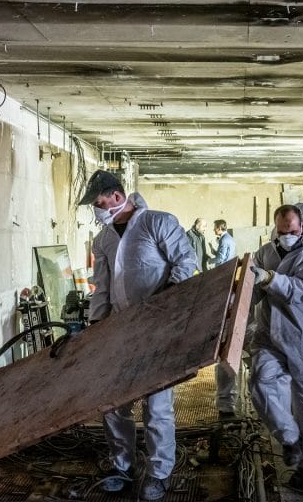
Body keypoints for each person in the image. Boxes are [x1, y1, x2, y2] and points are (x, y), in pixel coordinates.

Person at [80, 170, 197, 501]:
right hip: (121, 330)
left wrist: (170, 298)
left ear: (116, 197)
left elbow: (185, 262)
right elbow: (101, 286)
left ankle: (159, 473)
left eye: (99, 202)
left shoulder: (156, 223)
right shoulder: (103, 239)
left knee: (157, 404)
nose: (97, 208)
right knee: (113, 403)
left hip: (159, 328)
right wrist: (96, 325)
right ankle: (122, 465)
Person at [248, 204, 303, 492]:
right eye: (282, 231)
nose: (286, 236)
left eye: (292, 231)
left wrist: (270, 278)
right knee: (260, 381)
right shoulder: (265, 253)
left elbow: (302, 291)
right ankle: (289, 438)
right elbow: (252, 293)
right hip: (270, 335)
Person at [211, 219, 240, 418]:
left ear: (220, 228)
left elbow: (221, 260)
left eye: (215, 227)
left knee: (227, 357)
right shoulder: (230, 240)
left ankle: (226, 404)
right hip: (228, 285)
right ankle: (227, 403)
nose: (214, 230)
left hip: (222, 282)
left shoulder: (224, 241)